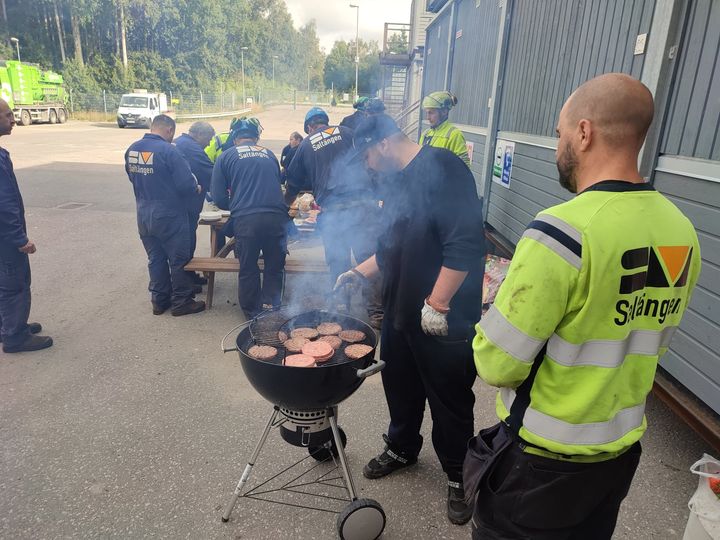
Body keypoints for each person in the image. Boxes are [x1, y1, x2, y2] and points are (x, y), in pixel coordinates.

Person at [469, 73, 701, 539]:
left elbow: (497, 362)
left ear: (584, 132)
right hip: (615, 461)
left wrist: (491, 316)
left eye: (559, 133)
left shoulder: (562, 231)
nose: (558, 145)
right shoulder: (681, 232)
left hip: (541, 466)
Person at [334, 114, 486, 524]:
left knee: (449, 399)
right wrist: (358, 272)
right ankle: (402, 447)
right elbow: (391, 249)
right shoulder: (397, 180)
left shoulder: (444, 168)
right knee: (399, 384)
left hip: (443, 316)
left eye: (365, 155)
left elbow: (467, 246)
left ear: (381, 143)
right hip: (402, 311)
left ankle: (459, 475)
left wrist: (436, 304)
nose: (366, 165)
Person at [285, 107, 382, 326]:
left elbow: (293, 181)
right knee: (369, 259)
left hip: (334, 213)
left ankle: (340, 309)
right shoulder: (347, 132)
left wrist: (286, 204)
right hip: (363, 207)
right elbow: (371, 158)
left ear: (309, 127)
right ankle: (377, 312)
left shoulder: (306, 144)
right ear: (326, 121)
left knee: (338, 260)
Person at [125, 114, 205, 316]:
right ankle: (181, 302)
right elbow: (186, 184)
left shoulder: (132, 149)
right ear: (169, 130)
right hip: (170, 213)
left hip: (144, 213)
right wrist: (196, 188)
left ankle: (159, 301)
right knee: (178, 259)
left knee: (156, 258)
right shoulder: (169, 151)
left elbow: (132, 177)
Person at [210, 118, 288, 318]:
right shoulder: (269, 154)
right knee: (274, 267)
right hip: (277, 218)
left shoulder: (225, 156)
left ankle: (252, 314)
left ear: (235, 139)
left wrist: (236, 205)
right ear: (257, 138)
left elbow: (218, 197)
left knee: (248, 267)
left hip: (247, 221)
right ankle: (271, 309)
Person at [0, 99, 53, 353]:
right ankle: (14, 336)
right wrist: (20, 239)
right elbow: (4, 204)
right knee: (15, 284)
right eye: (8, 115)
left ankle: (7, 326)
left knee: (3, 282)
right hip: (5, 240)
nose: (13, 119)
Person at [174, 121, 215, 285]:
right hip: (186, 204)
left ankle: (187, 275)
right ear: (199, 134)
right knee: (186, 240)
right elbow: (210, 172)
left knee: (186, 239)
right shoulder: (191, 147)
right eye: (209, 138)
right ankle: (186, 278)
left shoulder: (179, 141)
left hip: (180, 202)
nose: (209, 143)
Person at [420, 91, 470, 166]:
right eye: (427, 113)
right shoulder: (425, 134)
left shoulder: (454, 135)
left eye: (431, 113)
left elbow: (464, 168)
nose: (428, 117)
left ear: (444, 111)